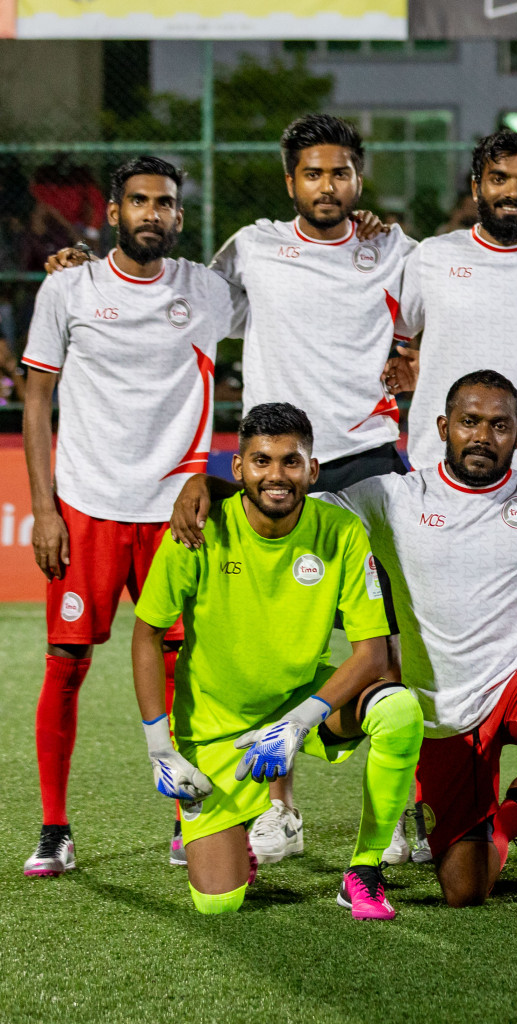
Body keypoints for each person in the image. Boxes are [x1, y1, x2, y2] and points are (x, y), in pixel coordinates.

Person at [41, 115, 409, 864]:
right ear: (290, 182)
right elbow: (157, 303)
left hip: (366, 460)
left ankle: (401, 816)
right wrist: (79, 271)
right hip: (260, 471)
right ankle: (274, 812)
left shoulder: (390, 247)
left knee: (389, 645)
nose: (327, 185)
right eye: (313, 173)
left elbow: (448, 309)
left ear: (358, 181)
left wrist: (410, 355)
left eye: (341, 173)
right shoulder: (247, 250)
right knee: (257, 645)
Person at [172, 370, 517, 923]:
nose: (482, 436)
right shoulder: (392, 497)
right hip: (445, 709)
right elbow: (288, 502)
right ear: (441, 428)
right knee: (465, 888)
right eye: (469, 422)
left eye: (499, 425)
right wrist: (209, 487)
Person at [19, 156, 242, 878]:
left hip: (173, 509)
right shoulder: (66, 287)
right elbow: (34, 400)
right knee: (66, 664)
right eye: (139, 201)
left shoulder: (207, 291)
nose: (153, 212)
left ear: (181, 217)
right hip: (85, 507)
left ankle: (186, 815)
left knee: (185, 669)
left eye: (166, 203)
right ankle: (55, 827)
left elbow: (297, 311)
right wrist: (44, 510)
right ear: (114, 212)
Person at [134, 403, 422, 919]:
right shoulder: (199, 530)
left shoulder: (341, 531)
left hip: (300, 704)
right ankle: (236, 829)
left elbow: (373, 653)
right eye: (262, 461)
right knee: (217, 903)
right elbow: (146, 634)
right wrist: (160, 747)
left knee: (398, 710)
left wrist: (295, 724)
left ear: (312, 470)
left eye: (291, 462)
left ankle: (364, 868)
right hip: (213, 730)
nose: (276, 475)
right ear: (239, 469)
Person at [390, 129, 517, 478]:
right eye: (499, 179)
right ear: (476, 188)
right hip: (435, 463)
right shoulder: (432, 256)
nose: (512, 192)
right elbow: (395, 332)